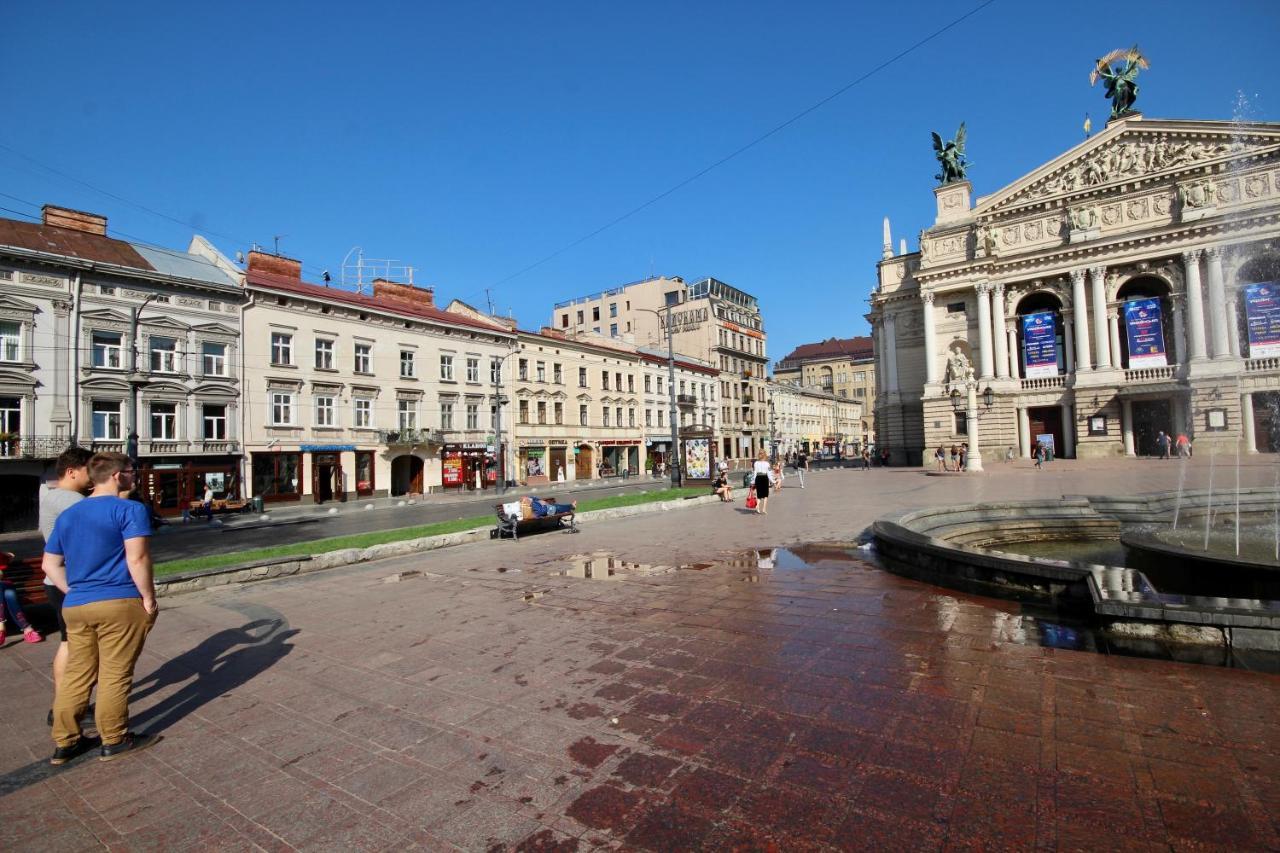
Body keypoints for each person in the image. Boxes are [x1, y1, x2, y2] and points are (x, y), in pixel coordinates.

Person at [43, 452, 160, 765]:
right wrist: (148, 597)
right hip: (118, 602)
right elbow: (136, 559)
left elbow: (50, 564)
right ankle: (115, 738)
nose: (135, 476)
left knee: (77, 674)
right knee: (115, 673)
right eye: (132, 471)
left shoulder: (70, 515)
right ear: (117, 475)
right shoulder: (130, 509)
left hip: (77, 604)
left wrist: (75, 591)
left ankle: (65, 743)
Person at [39, 446, 94, 724]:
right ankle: (68, 708)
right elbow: (102, 511)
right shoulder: (70, 500)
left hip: (59, 581)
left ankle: (65, 704)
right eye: (89, 470)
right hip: (68, 583)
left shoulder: (55, 497)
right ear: (72, 471)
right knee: (75, 646)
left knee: (69, 642)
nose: (93, 475)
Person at [0, 551, 44, 646]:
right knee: (9, 594)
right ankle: (27, 628)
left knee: (8, 592)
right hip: (5, 589)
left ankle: (1, 627)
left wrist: (5, 554)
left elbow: (8, 558)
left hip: (4, 584)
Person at [752, 451, 772, 516]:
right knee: (765, 495)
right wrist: (772, 481)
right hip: (764, 478)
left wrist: (753, 481)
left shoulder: (756, 463)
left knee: (759, 494)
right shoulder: (767, 463)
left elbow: (754, 473)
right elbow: (769, 473)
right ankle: (764, 509)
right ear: (765, 455)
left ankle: (757, 506)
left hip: (758, 478)